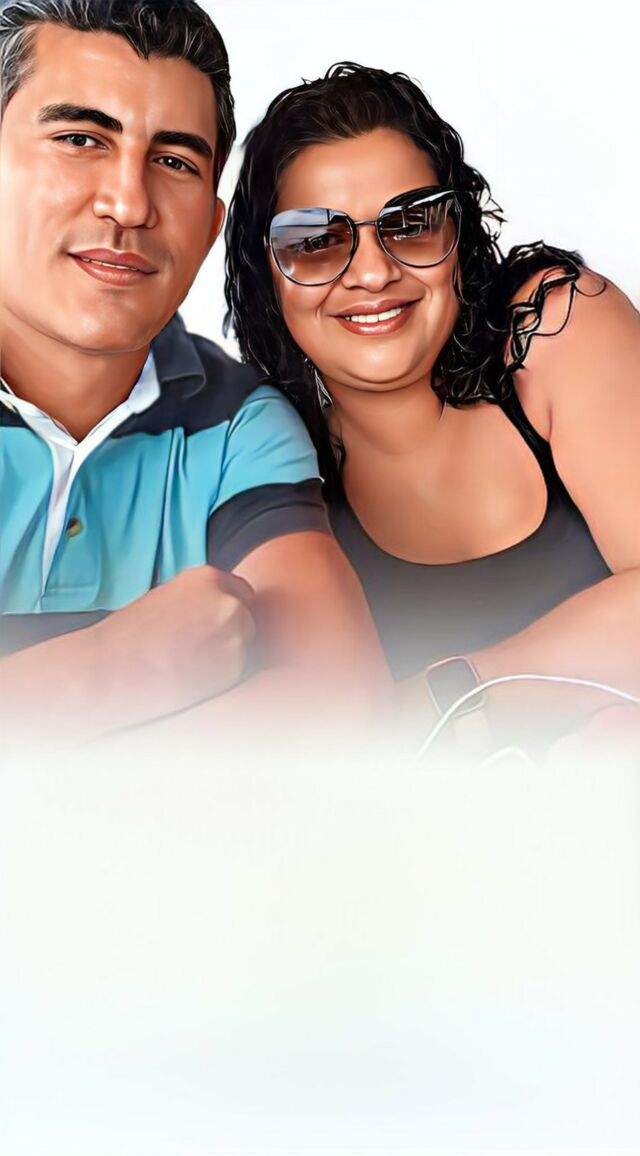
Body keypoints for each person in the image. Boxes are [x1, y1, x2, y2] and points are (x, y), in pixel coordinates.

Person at [224, 63, 640, 752]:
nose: (372, 272)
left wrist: (450, 695)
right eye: (315, 241)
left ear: (458, 238)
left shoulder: (553, 327)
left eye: (411, 224)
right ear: (267, 275)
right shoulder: (258, 468)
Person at [0, 8, 386, 749]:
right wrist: (106, 669)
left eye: (174, 161)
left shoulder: (239, 426)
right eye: (80, 139)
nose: (129, 204)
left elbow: (341, 707)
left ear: (210, 226)